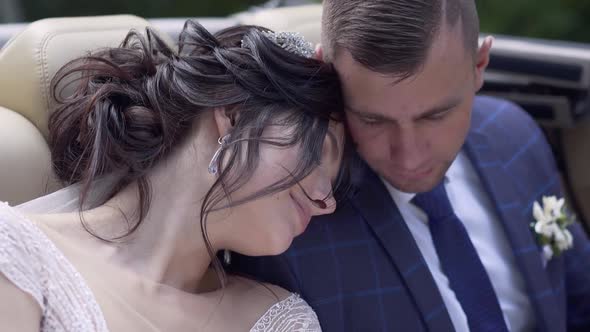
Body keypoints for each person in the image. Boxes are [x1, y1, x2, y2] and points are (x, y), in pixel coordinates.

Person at [231, 1, 590, 331]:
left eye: (436, 115)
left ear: (479, 65)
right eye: (373, 120)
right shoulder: (287, 229)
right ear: (328, 76)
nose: (410, 156)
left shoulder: (516, 138)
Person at [0, 20, 350, 331]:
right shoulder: (18, 253)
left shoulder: (279, 319)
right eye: (318, 153)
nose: (327, 201)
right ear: (234, 114)